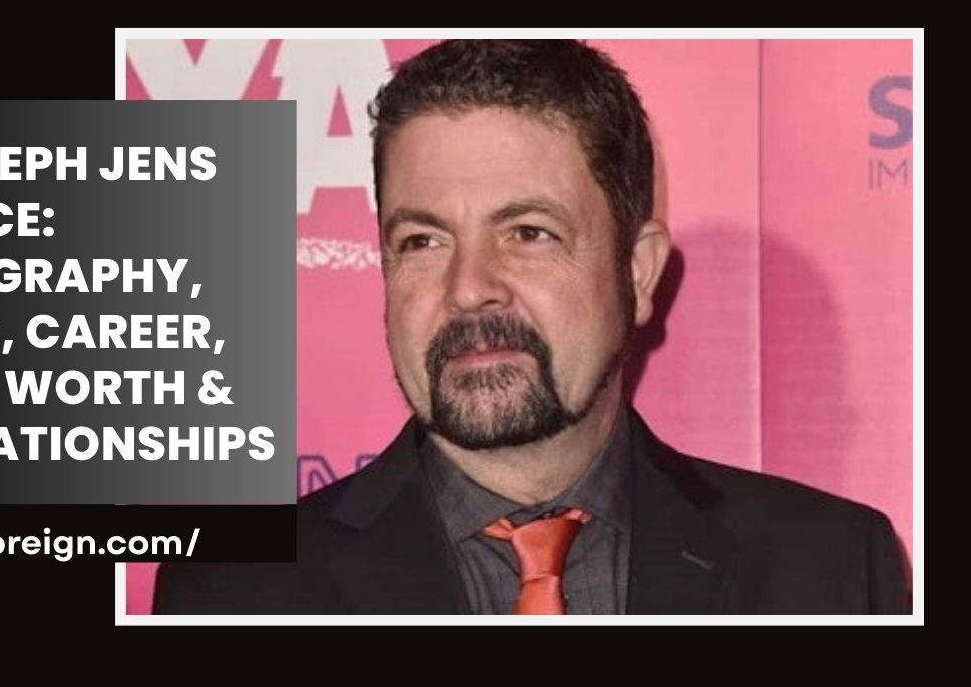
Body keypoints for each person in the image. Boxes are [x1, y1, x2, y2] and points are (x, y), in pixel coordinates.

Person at [154, 39, 909, 615]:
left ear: (638, 273)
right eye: (423, 241)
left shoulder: (833, 570)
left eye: (528, 233)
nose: (469, 290)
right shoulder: (234, 588)